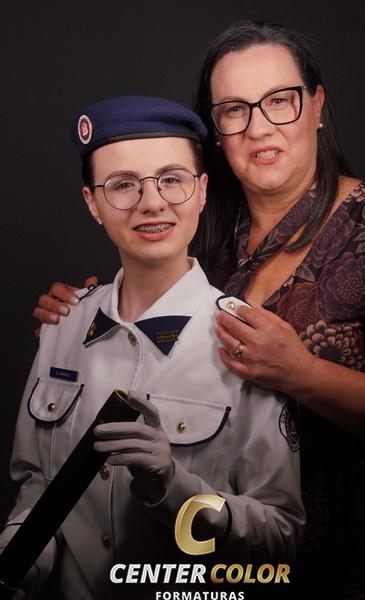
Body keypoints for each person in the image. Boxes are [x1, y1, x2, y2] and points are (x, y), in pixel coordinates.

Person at [34, 19, 365, 600]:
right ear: (216, 131)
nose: (259, 127)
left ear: (316, 105)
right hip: (209, 557)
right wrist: (83, 316)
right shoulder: (197, 226)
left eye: (279, 100)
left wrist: (303, 374)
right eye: (234, 109)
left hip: (349, 553)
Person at [0, 95, 304, 599]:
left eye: (172, 179)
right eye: (123, 185)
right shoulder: (62, 326)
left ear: (202, 191)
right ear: (92, 203)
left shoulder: (247, 340)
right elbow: (37, 488)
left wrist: (173, 487)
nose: (152, 202)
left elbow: (281, 535)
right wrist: (17, 563)